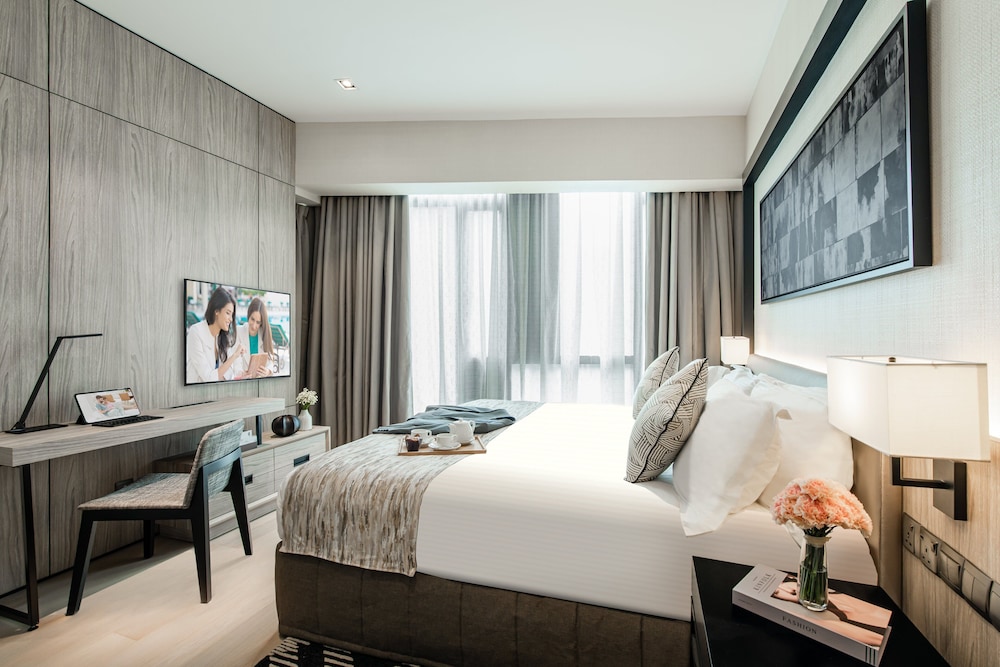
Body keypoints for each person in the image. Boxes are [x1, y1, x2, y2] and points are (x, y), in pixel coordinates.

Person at [772, 576, 890, 647]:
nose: (787, 590)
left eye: (784, 582)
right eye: (777, 592)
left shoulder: (848, 588)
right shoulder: (833, 623)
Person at [186, 286, 246, 383]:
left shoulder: (223, 337)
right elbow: (208, 378)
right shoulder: (196, 332)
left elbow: (230, 371)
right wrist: (234, 355)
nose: (231, 319)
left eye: (232, 315)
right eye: (228, 313)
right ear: (217, 311)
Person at [233, 296, 276, 378]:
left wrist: (268, 371)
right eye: (252, 319)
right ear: (248, 315)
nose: (254, 326)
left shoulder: (264, 334)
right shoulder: (239, 332)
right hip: (243, 380)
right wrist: (242, 373)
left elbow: (271, 360)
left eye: (258, 322)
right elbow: (236, 362)